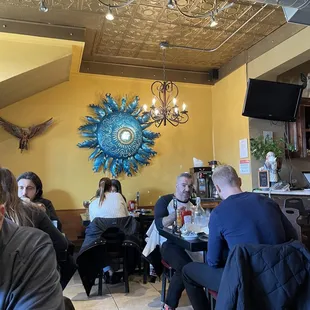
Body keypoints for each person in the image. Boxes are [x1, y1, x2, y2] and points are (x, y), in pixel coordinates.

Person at [182, 165, 298, 310]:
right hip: (282, 277)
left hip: (246, 281)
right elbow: (293, 237)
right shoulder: (269, 202)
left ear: (217, 188)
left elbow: (213, 261)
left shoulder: (218, 214)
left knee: (187, 271)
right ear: (240, 181)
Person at [0, 195, 65, 309]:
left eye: (29, 188)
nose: (25, 192)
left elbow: (60, 242)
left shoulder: (37, 209)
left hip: (40, 267)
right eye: (22, 187)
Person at [154, 172, 195, 310]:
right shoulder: (164, 201)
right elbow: (160, 225)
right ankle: (169, 305)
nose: (187, 189)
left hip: (190, 244)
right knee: (186, 267)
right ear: (176, 185)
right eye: (184, 185)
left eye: (190, 186)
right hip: (168, 244)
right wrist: (175, 215)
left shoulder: (194, 204)